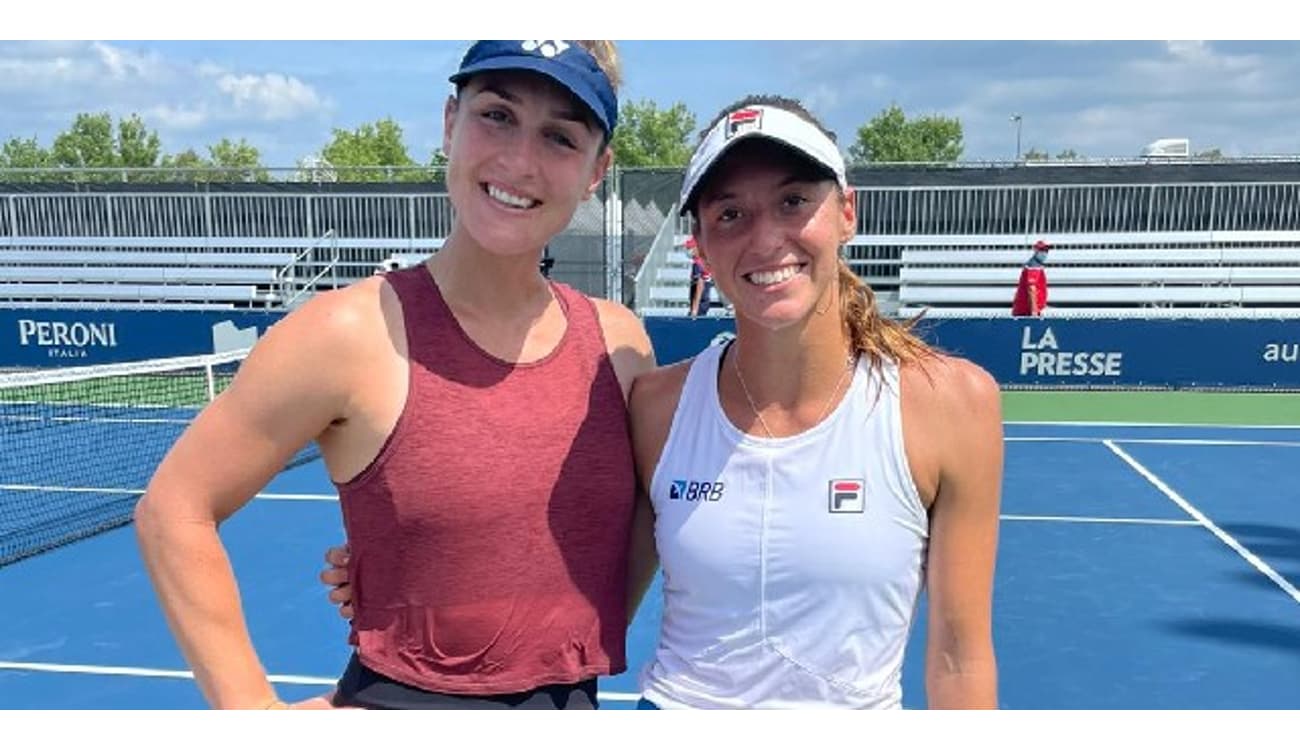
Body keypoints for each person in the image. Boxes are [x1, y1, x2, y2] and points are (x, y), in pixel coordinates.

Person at [325, 95, 1003, 709]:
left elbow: (958, 654)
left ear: (846, 212)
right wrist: (409, 582)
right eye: (730, 214)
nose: (765, 239)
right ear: (700, 247)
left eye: (795, 201)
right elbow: (577, 596)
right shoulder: (658, 406)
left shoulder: (951, 403)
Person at [134, 39, 656, 710]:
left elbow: (646, 528)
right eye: (497, 116)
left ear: (596, 171)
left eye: (560, 137)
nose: (520, 161)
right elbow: (173, 509)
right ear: (449, 123)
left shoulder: (621, 345)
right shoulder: (346, 333)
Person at [1011, 239, 1050, 316]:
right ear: (1035, 250)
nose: (1044, 252)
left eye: (1046, 250)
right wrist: (1034, 311)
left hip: (1026, 312)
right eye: (1042, 249)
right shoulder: (1033, 265)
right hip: (1026, 313)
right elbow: (1031, 289)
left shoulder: (1036, 265)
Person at [685, 235, 713, 318]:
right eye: (688, 249)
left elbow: (699, 286)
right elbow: (699, 286)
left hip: (700, 305)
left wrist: (694, 309)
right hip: (701, 304)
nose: (690, 251)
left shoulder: (699, 264)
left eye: (691, 249)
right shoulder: (700, 263)